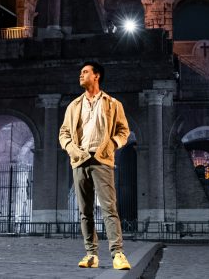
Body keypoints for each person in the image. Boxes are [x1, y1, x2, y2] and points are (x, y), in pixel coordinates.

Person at [59, 61, 131, 270]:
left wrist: (112, 144)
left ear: (96, 76)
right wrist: (71, 148)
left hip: (102, 160)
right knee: (85, 211)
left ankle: (117, 253)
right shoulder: (73, 106)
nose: (81, 75)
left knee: (109, 208)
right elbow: (64, 133)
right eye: (80, 72)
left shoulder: (112, 103)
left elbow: (123, 131)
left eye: (85, 72)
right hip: (79, 161)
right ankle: (91, 254)